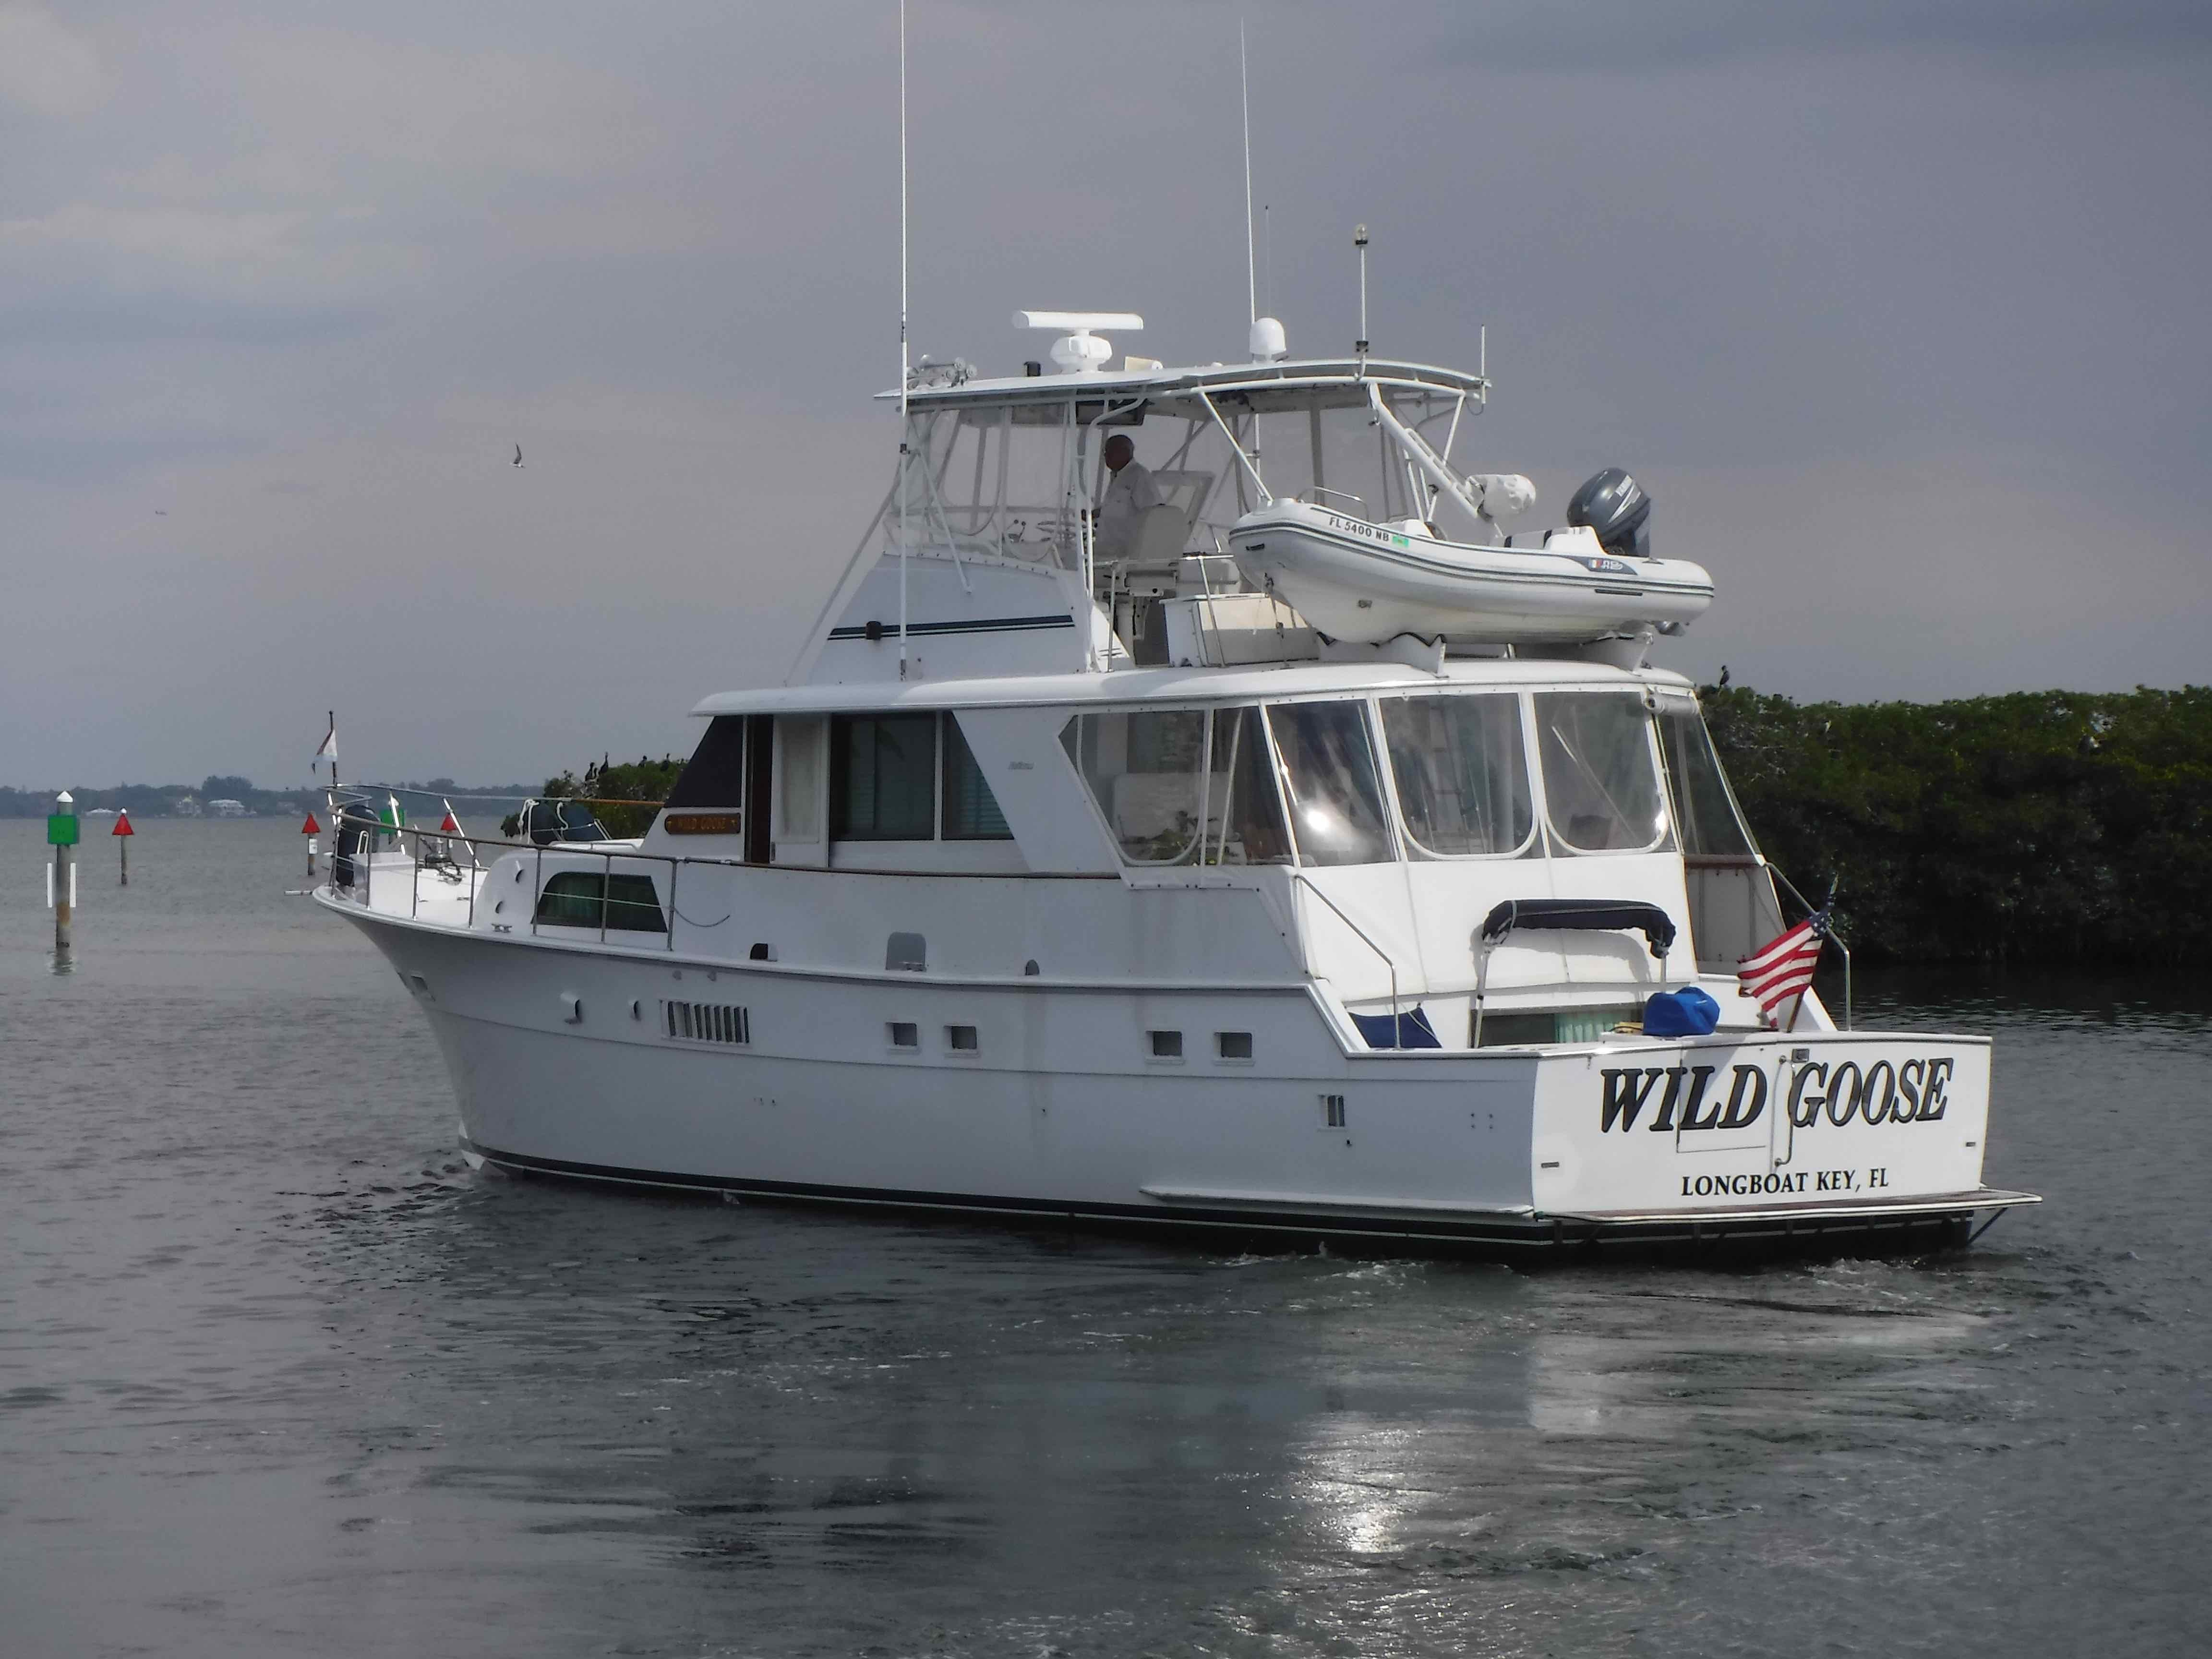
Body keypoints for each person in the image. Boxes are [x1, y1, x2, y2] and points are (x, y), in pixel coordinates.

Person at [1094, 433, 1162, 561]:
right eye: (1105, 452)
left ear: (1124, 452)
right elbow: (1120, 507)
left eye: (1109, 452)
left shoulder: (1139, 476)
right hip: (1106, 553)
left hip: (1124, 557)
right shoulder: (1117, 475)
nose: (1105, 456)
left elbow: (1153, 514)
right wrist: (1095, 514)